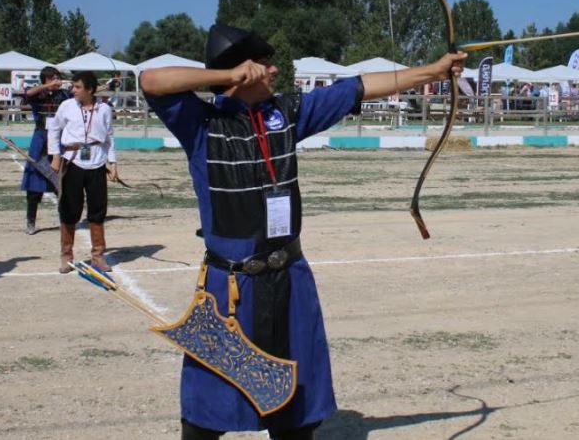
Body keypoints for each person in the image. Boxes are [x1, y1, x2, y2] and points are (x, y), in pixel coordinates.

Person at [139, 24, 465, 440]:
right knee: (205, 416)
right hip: (229, 290)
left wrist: (434, 71)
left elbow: (358, 87)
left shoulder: (288, 113)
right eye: (265, 63)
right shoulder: (200, 123)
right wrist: (227, 78)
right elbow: (151, 80)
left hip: (288, 281)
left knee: (295, 418)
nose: (274, 70)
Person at [48, 71, 118, 274]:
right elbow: (54, 129)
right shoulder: (67, 106)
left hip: (97, 163)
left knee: (98, 210)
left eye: (77, 87)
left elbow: (110, 136)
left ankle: (98, 256)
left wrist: (113, 162)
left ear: (90, 89)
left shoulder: (104, 109)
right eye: (73, 87)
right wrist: (55, 155)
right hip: (73, 162)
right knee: (70, 209)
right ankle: (67, 256)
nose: (73, 90)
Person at [20, 67, 69, 235]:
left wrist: (108, 85)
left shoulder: (65, 95)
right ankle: (30, 221)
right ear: (45, 80)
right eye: (52, 78)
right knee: (34, 186)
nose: (56, 80)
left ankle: (65, 220)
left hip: (59, 141)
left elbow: (85, 91)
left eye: (58, 77)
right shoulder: (38, 94)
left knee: (61, 183)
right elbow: (28, 93)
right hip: (40, 141)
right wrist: (47, 87)